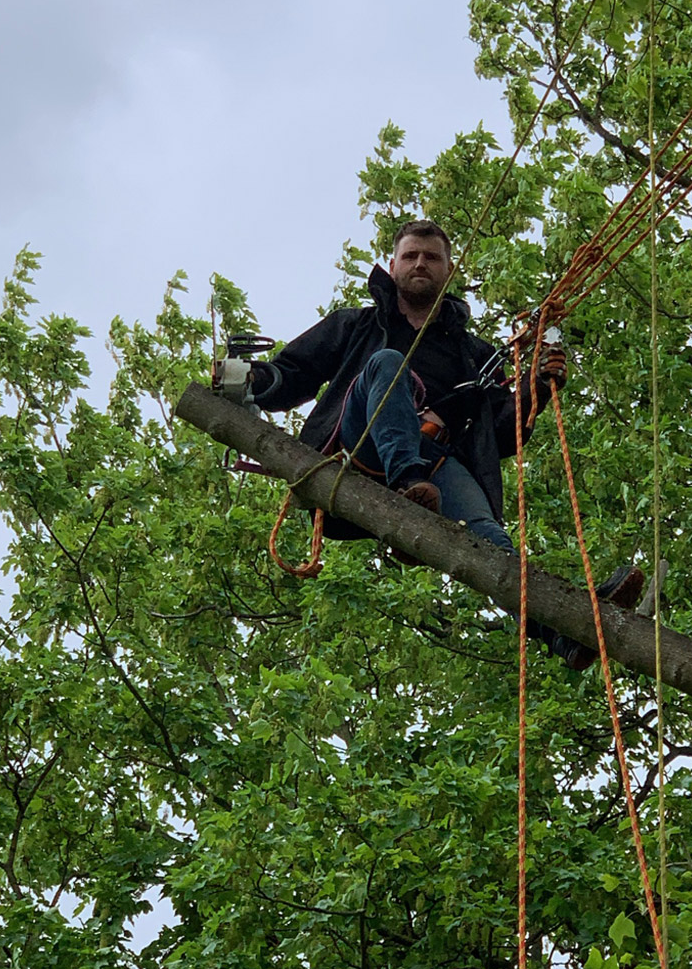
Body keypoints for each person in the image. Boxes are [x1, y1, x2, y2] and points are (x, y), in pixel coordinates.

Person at [245, 219, 643, 668]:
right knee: (387, 363)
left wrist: (538, 387)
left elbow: (500, 430)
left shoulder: (472, 354)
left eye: (431, 258)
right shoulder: (355, 326)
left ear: (449, 271)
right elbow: (291, 374)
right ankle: (408, 484)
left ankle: (563, 632)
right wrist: (252, 380)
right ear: (392, 265)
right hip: (356, 449)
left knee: (490, 541)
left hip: (436, 462)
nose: (420, 264)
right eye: (411, 256)